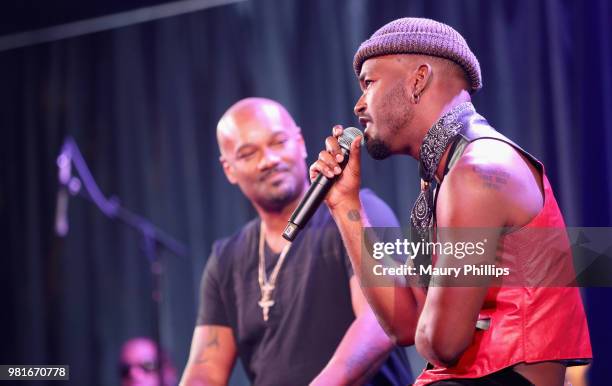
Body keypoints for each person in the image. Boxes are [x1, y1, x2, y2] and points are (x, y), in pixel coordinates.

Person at [310, 17, 592, 386]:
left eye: (369, 83)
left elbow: (442, 342)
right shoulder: (443, 179)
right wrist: (345, 205)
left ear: (418, 79)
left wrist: (441, 314)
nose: (359, 105)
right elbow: (406, 324)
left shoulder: (477, 170)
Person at [180, 97, 413, 385]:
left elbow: (378, 322)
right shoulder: (226, 259)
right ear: (229, 169)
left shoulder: (363, 212)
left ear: (300, 142)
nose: (269, 160)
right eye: (248, 153)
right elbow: (205, 370)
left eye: (278, 142)